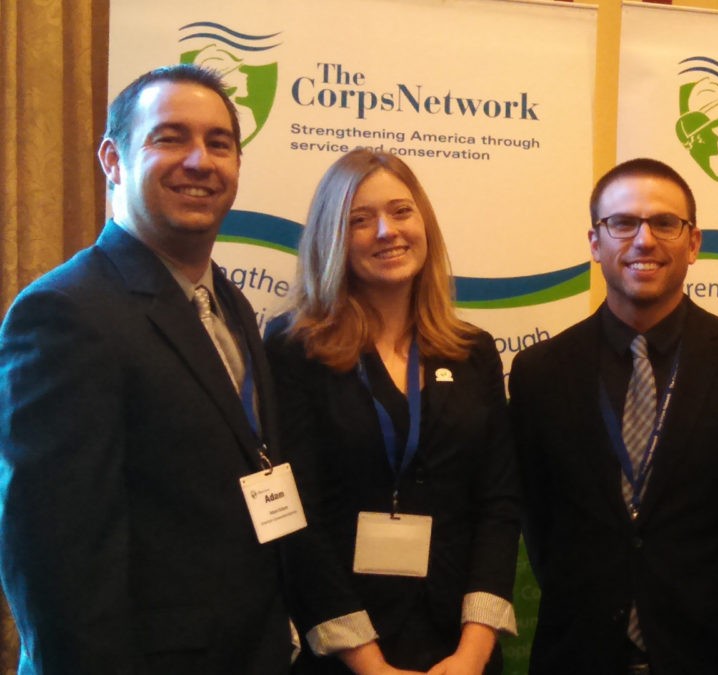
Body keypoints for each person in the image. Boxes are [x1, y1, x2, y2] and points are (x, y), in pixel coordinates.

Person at [0, 64, 296, 673]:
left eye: (219, 143)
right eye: (170, 137)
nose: (199, 161)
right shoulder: (64, 313)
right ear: (112, 159)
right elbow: (54, 561)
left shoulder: (228, 301)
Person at [510, 158, 718, 674]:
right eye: (623, 223)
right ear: (594, 242)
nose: (644, 240)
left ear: (693, 242)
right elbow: (538, 523)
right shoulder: (540, 372)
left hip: (708, 652)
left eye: (664, 223)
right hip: (578, 652)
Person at [264, 149, 519, 675]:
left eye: (402, 211)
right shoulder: (294, 350)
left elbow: (498, 505)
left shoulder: (472, 351)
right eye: (360, 219)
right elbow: (294, 518)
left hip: (458, 648)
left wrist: (473, 653)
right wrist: (368, 664)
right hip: (343, 650)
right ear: (333, 237)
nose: (387, 231)